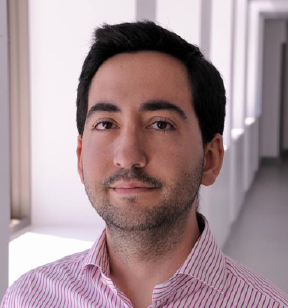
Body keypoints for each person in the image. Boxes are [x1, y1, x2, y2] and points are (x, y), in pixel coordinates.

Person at [1, 21, 288, 308]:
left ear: (210, 159)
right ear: (80, 158)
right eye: (105, 124)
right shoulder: (28, 298)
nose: (127, 156)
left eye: (161, 124)